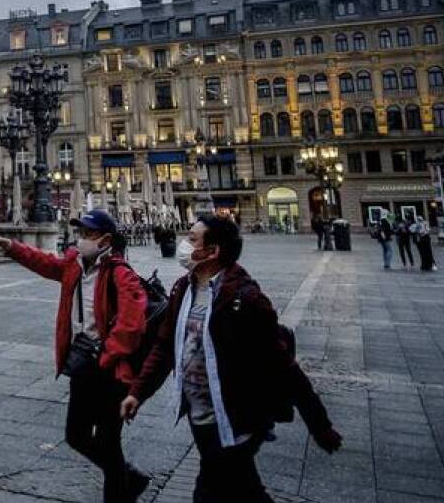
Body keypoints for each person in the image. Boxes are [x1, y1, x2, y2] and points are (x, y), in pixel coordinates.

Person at [119, 215, 342, 502]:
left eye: (192, 239)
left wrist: (319, 425)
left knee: (211, 490)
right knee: (245, 489)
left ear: (213, 252)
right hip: (200, 415)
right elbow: (165, 347)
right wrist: (138, 393)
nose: (184, 244)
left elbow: (284, 366)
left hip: (235, 417)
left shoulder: (245, 299)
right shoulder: (183, 289)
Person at [0, 209, 150, 503]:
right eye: (80, 233)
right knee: (76, 435)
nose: (80, 239)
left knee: (108, 443)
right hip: (83, 364)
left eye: (88, 234)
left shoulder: (120, 273)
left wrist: (107, 356)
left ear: (106, 240)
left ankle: (121, 491)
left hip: (110, 371)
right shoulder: (74, 265)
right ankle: (128, 477)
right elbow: (45, 263)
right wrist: (10, 246)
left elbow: (133, 324)